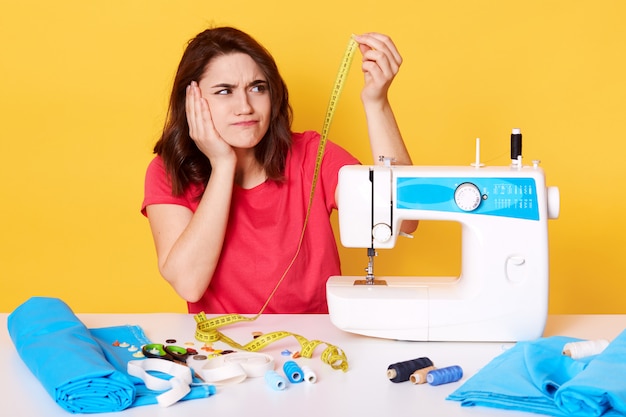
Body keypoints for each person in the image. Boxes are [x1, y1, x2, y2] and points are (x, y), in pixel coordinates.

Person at [141, 26, 416, 315]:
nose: (245, 107)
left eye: (257, 88)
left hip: (315, 347)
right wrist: (223, 164)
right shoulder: (167, 172)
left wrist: (377, 103)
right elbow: (189, 284)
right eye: (225, 91)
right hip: (224, 355)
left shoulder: (312, 154)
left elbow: (405, 219)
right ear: (191, 102)